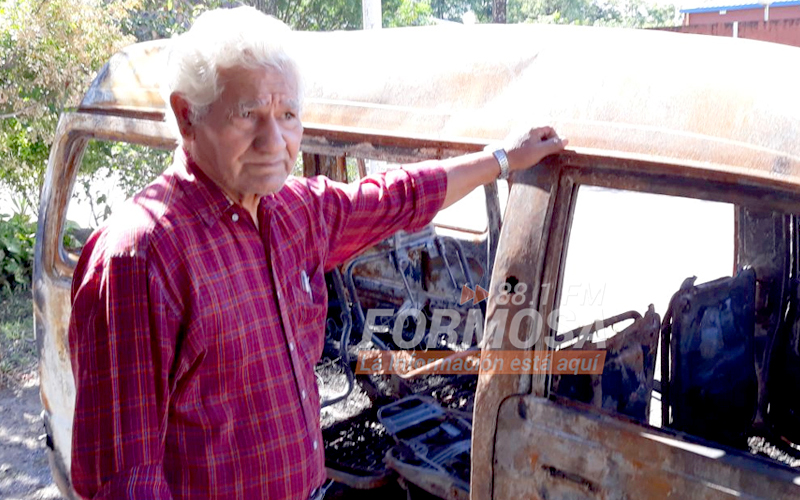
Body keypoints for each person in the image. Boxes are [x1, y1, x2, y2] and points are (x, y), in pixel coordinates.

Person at [67, 6, 567, 500]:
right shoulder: (140, 256)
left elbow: (397, 197)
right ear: (186, 115)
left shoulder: (292, 211)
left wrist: (501, 159)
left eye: (288, 116)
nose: (274, 140)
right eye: (248, 114)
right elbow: (125, 480)